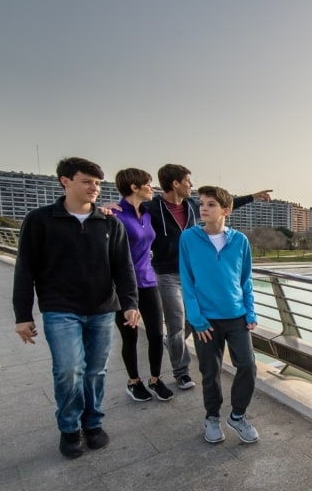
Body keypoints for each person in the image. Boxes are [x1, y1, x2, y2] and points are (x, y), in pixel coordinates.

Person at [13, 157, 139, 459]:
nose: (94, 188)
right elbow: (25, 269)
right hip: (60, 309)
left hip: (102, 309)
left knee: (96, 371)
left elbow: (124, 267)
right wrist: (22, 315)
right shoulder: (40, 220)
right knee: (69, 370)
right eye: (87, 181)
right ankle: (69, 429)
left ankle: (93, 423)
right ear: (65, 181)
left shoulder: (109, 223)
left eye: (97, 182)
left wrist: (130, 304)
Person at [144, 164, 269, 391]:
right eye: (188, 181)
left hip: (197, 273)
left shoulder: (193, 205)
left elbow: (226, 204)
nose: (191, 185)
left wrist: (253, 196)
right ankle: (181, 372)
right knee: (177, 323)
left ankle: (175, 344)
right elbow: (128, 213)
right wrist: (109, 209)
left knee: (191, 321)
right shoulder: (151, 208)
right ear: (175, 183)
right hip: (168, 273)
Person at [178, 185, 259, 444]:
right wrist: (196, 319)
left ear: (226, 210)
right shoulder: (189, 238)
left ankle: (237, 415)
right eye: (201, 203)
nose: (203, 207)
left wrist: (250, 312)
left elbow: (246, 280)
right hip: (206, 321)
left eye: (211, 204)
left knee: (247, 365)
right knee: (210, 371)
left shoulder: (240, 241)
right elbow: (187, 282)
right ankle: (211, 417)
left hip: (236, 316)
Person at [113, 168, 174, 402]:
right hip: (124, 287)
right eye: (148, 184)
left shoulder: (147, 213)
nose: (153, 188)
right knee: (130, 337)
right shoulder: (115, 216)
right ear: (134, 187)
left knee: (157, 334)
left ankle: (156, 379)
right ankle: (134, 382)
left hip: (149, 282)